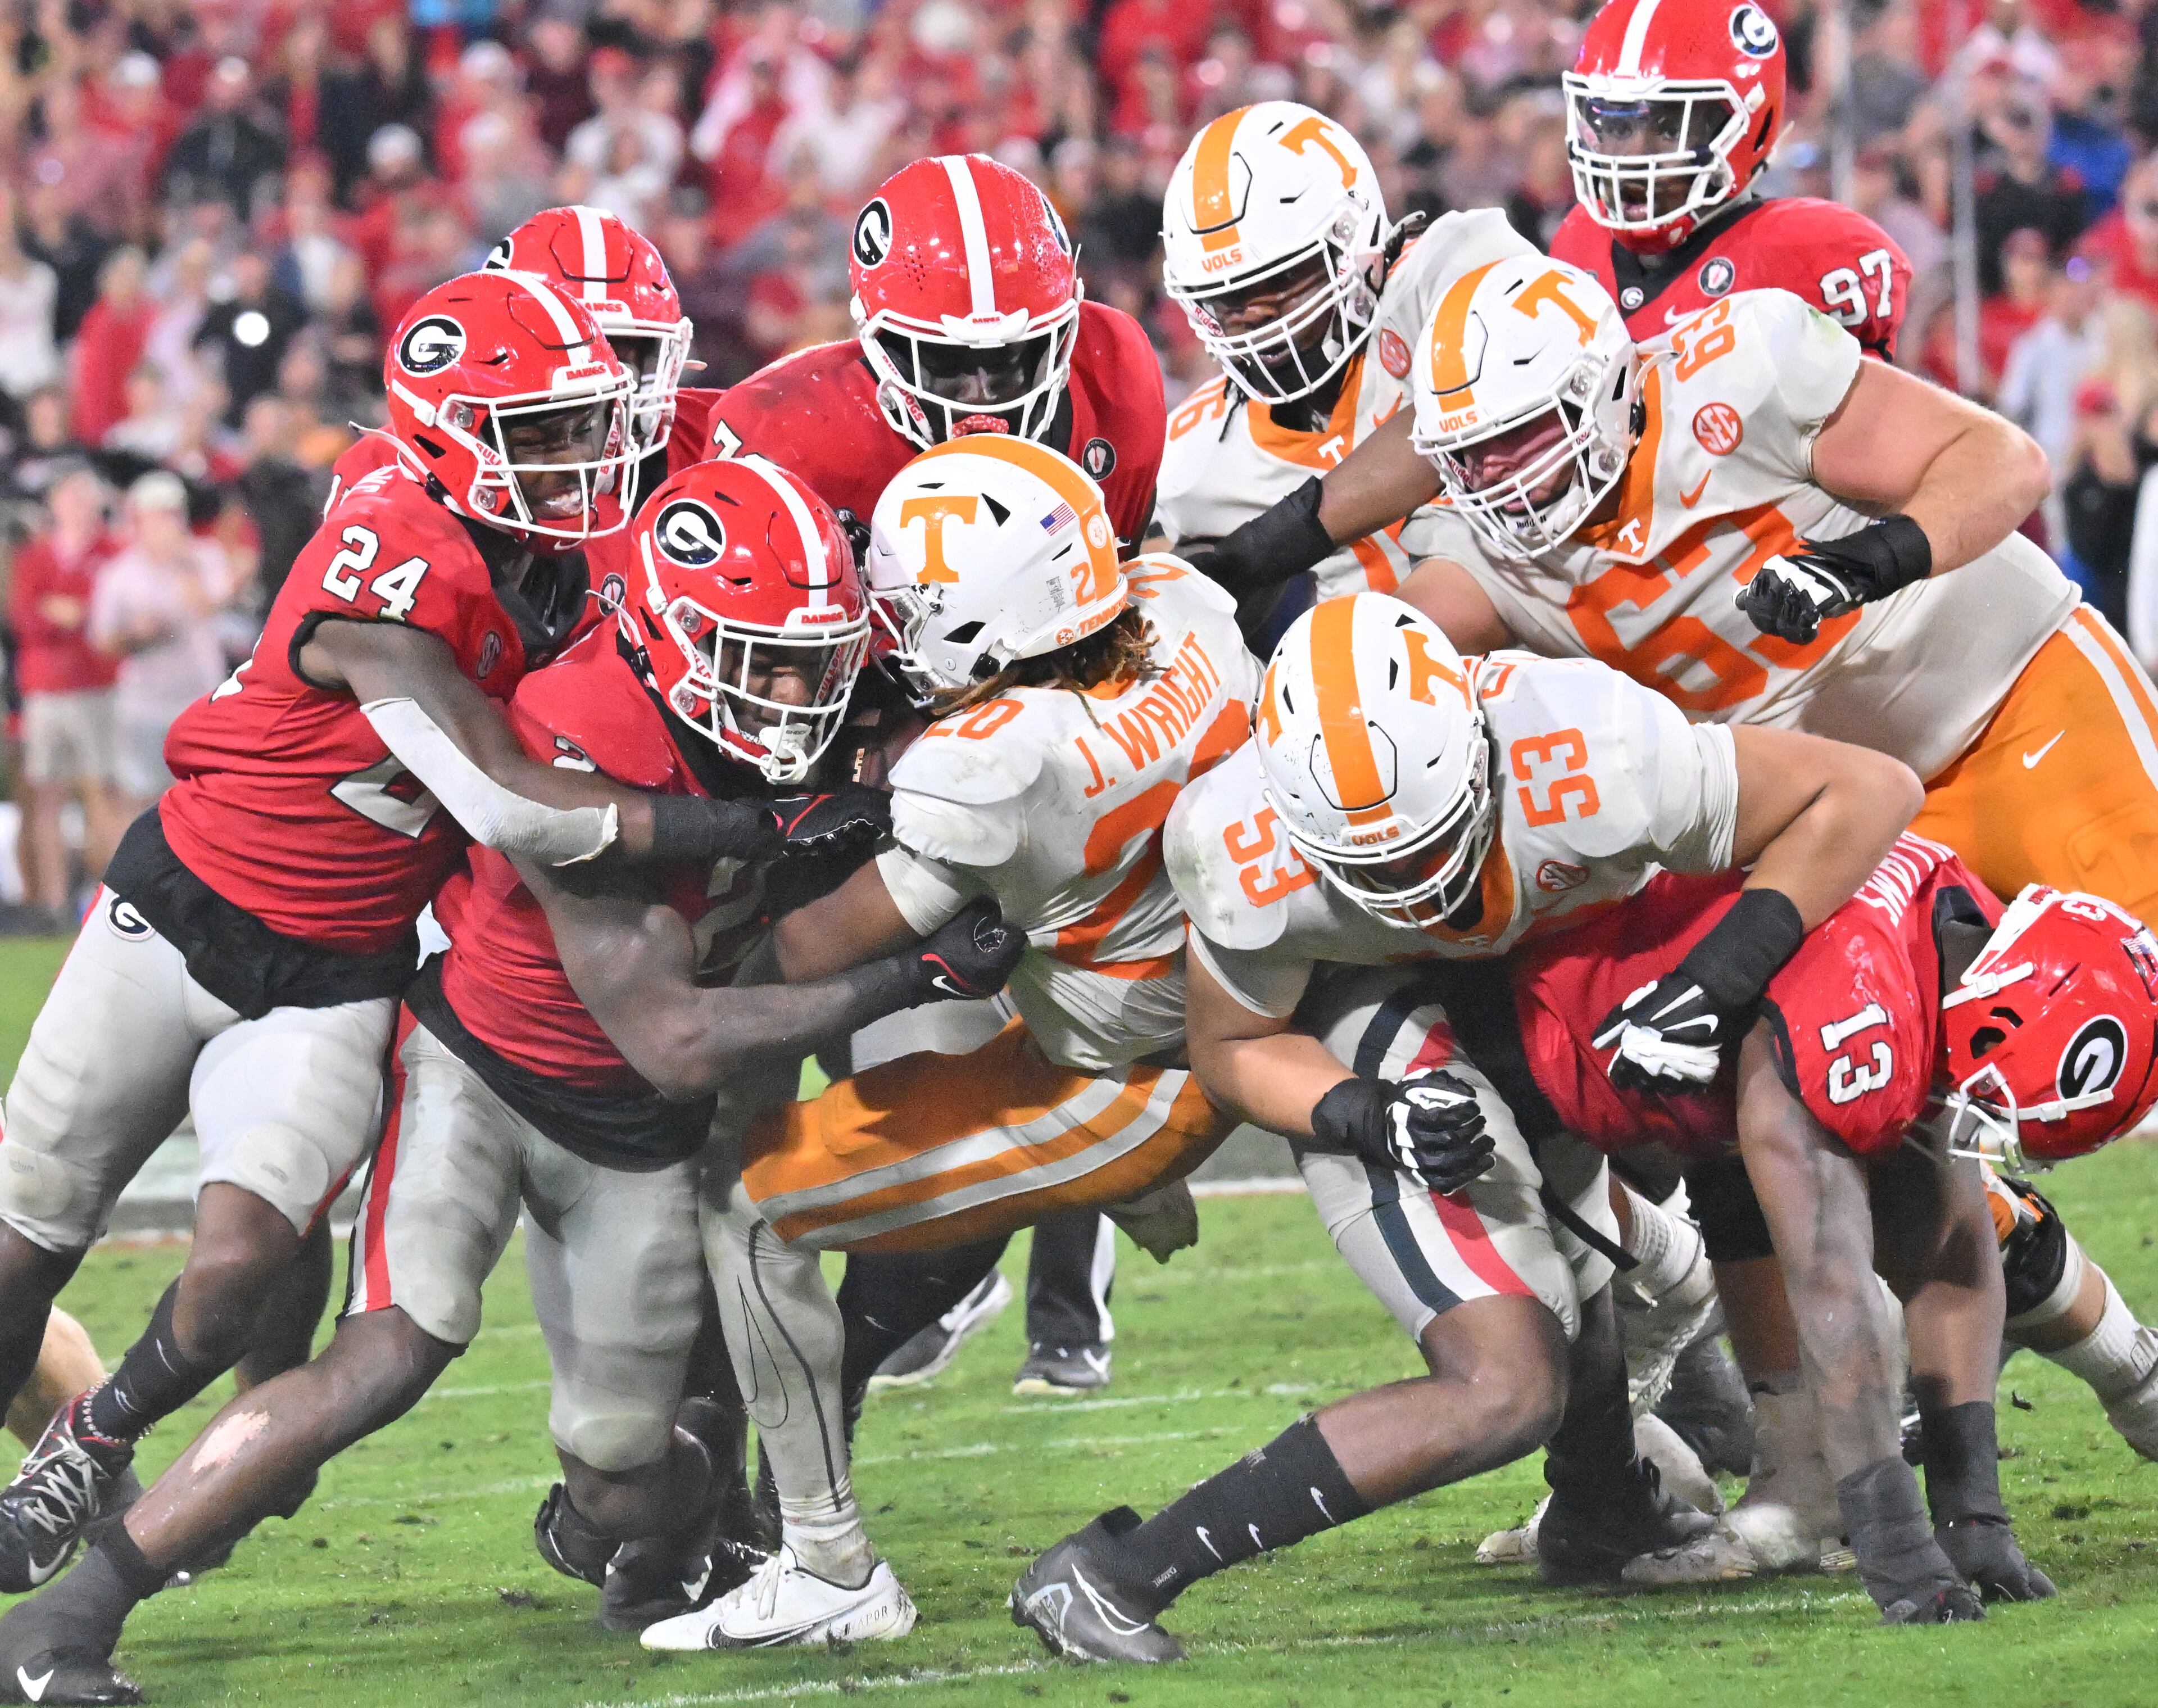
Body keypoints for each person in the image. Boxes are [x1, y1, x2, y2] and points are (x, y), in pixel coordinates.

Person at [0, 457, 1027, 1708]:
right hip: (479, 1072)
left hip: (637, 1136)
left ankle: (648, 1540)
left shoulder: (832, 698)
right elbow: (672, 1032)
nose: (790, 696)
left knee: (623, 1469)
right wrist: (909, 974)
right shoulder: (577, 716)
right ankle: (71, 1610)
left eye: (814, 665)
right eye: (759, 661)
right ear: (666, 636)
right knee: (391, 1351)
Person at [0, 270, 779, 1605]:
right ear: (448, 435)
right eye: (538, 431)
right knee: (22, 1251)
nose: (577, 456)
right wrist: (759, 826)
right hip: (177, 912)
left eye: (579, 423)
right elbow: (504, 797)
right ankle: (98, 1461)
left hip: (341, 964)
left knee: (243, 1258)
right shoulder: (394, 536)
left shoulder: (566, 553)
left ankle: (104, 1444)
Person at [1010, 588, 1917, 1660]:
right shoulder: (1236, 839)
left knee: (1584, 1247)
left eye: (1426, 842)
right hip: (1376, 1022)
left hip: (1538, 1003)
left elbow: (1866, 788)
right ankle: (1116, 1570)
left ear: (1482, 753)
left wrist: (1718, 977)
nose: (1411, 884)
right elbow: (1235, 1041)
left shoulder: (1589, 740)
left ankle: (1603, 1504)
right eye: (1372, 866)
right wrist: (1363, 1111)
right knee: (1505, 1380)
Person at [640, 438, 1257, 1651]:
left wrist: (825, 807)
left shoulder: (992, 764)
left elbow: (816, 948)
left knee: (750, 1208)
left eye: (912, 611)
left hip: (1115, 1078)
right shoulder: (1186, 608)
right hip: (1211, 996)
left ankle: (828, 1567)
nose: (890, 636)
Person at [708, 153, 1172, 1399]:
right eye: (947, 363)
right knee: (907, 1047)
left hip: (1037, 731)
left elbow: (1100, 626)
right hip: (848, 762)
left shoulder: (1118, 378)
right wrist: (880, 741)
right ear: (874, 343)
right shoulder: (780, 435)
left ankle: (1067, 1303)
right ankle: (947, 1268)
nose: (983, 393)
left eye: (1015, 358)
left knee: (1083, 993)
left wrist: (977, 739)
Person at [1483, 855, 2158, 1617]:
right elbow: (1833, 1285)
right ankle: (1604, 1483)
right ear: (1999, 1018)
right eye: (1995, 1102)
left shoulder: (1959, 920)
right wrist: (1894, 1535)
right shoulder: (1856, 1005)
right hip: (1502, 1070)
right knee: (1508, 1378)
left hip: (1643, 1073)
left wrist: (1973, 1512)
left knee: (1832, 1183)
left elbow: (1949, 1245)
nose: (1989, 1122)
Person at [1169, 0, 1914, 618]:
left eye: (1665, 126)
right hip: (1570, 585)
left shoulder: (1816, 251)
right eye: (1612, 123)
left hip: (1729, 574)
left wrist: (1863, 560)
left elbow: (1875, 460)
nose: (1631, 153)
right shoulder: (1580, 242)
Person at [1153, 99, 1533, 628]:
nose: (1257, 317)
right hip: (1374, 675)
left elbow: (1467, 420)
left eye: (1283, 280)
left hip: (1544, 642)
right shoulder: (1198, 453)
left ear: (1354, 240)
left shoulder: (1450, 268)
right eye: (1229, 299)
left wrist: (1269, 544)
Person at [6, 466, 123, 921]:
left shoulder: (111, 552)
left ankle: (108, 899)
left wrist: (64, 613)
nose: (76, 507)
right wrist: (66, 615)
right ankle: (52, 902)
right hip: (46, 690)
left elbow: (104, 616)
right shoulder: (37, 556)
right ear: (55, 504)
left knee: (101, 794)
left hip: (96, 686)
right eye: (69, 497)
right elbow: (25, 619)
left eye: (83, 498)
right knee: (47, 796)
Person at [86, 473, 237, 818]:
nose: (167, 524)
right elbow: (102, 641)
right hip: (144, 704)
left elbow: (210, 607)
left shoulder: (205, 556)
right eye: (157, 515)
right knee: (143, 803)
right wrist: (137, 634)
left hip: (199, 700)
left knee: (201, 801)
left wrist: (181, 566)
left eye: (172, 513)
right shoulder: (120, 572)